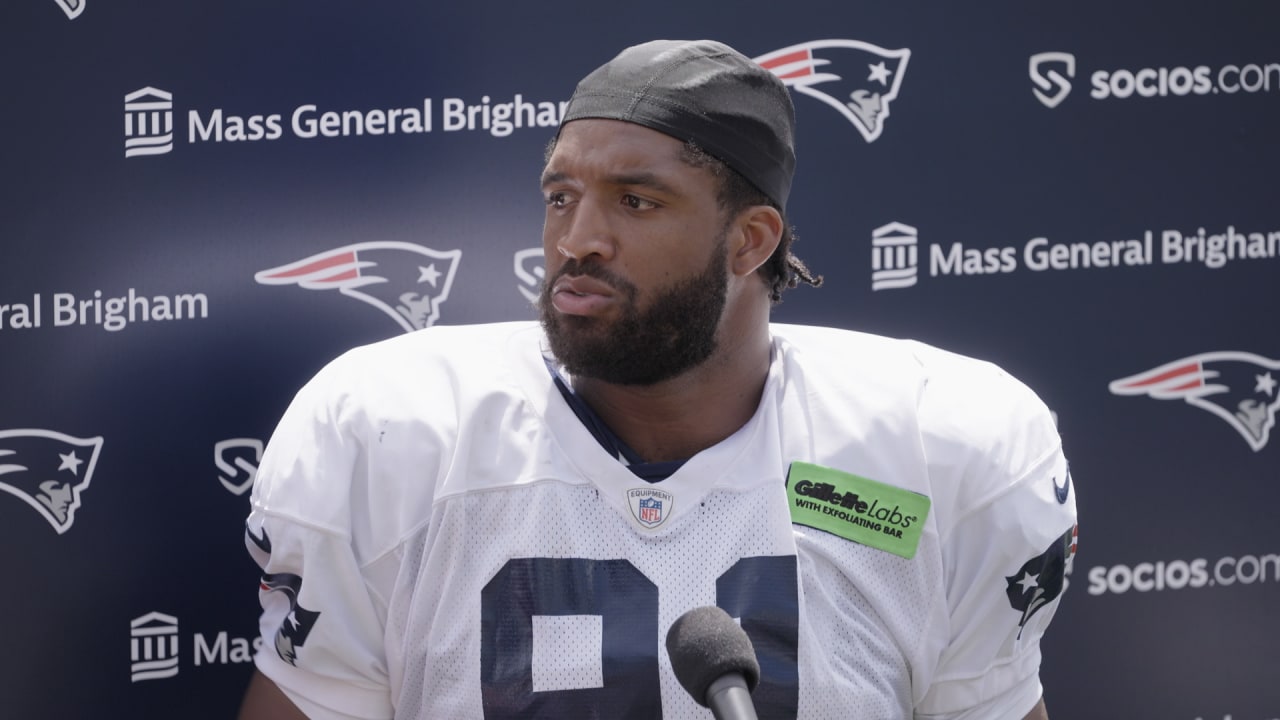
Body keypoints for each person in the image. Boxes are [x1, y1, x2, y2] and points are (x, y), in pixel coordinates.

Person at [238, 39, 1077, 720]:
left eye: (635, 202)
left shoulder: (941, 448)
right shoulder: (393, 434)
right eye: (561, 196)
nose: (579, 239)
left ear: (750, 242)